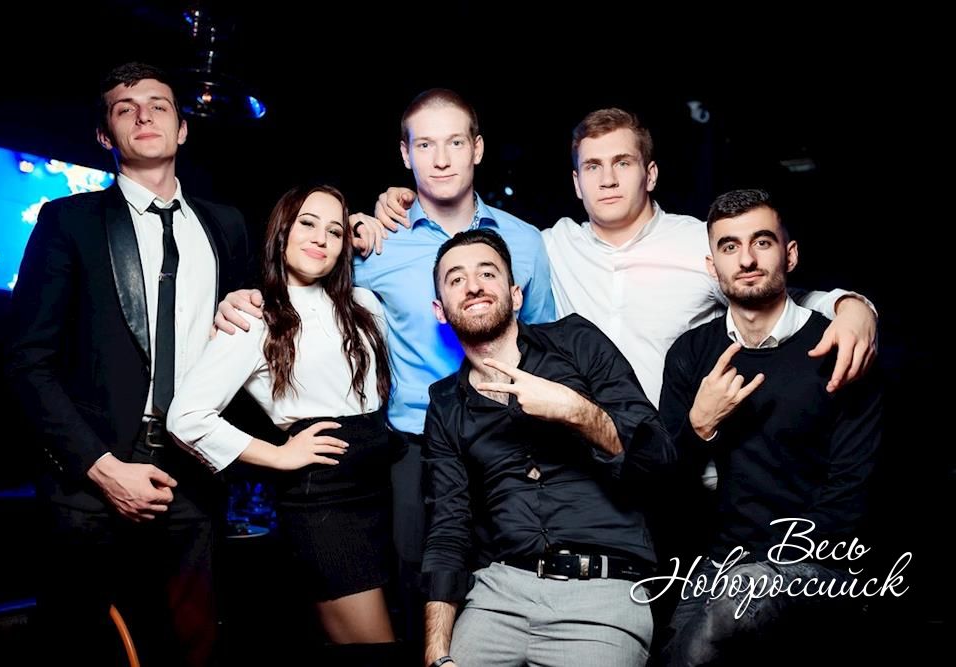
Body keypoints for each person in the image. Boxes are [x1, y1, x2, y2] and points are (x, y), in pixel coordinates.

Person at [214, 89, 556, 648]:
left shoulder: (526, 242)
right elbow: (306, 286)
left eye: (454, 143)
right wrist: (244, 298)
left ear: (477, 148)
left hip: (507, 441)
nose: (440, 159)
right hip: (411, 450)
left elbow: (545, 347)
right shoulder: (374, 245)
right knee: (413, 594)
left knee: (507, 584)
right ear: (405, 154)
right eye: (425, 145)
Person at [366, 108, 877, 409]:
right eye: (592, 166)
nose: (607, 179)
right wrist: (393, 204)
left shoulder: (697, 242)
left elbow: (769, 288)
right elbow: (469, 256)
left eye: (622, 163)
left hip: (687, 451)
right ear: (576, 182)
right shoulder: (547, 246)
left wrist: (851, 306)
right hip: (585, 463)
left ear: (649, 174)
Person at [6, 62, 252, 665]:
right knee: (83, 648)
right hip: (90, 482)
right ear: (104, 135)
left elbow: (247, 339)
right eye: (125, 108)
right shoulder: (69, 221)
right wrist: (102, 469)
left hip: (194, 476)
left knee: (193, 648)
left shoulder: (226, 225)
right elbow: (27, 361)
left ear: (183, 128)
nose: (144, 115)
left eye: (159, 105)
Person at [168, 184, 401, 662]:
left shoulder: (366, 304)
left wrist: (375, 218)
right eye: (307, 224)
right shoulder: (255, 317)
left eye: (334, 231)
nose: (320, 238)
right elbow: (186, 418)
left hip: (384, 490)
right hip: (326, 503)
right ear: (282, 232)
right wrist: (278, 454)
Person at [422, 229, 673, 667]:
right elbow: (448, 526)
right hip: (498, 595)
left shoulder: (577, 342)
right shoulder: (445, 402)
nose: (474, 285)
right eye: (456, 279)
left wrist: (576, 411)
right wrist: (436, 651)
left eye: (487, 273)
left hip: (600, 589)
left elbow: (661, 460)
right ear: (440, 310)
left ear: (516, 295)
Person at [657, 189, 882, 665]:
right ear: (713, 266)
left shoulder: (837, 347)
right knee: (671, 649)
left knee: (733, 607)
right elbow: (665, 484)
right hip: (716, 565)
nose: (746, 259)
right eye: (729, 246)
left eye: (762, 242)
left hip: (820, 564)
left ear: (790, 254)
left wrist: (773, 564)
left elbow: (851, 490)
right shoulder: (691, 354)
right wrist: (699, 425)